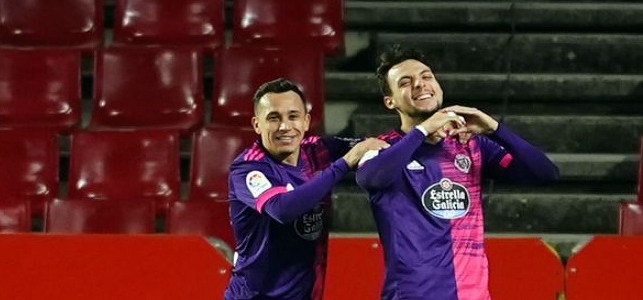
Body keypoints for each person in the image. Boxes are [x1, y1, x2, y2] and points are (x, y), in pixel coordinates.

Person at [355, 44, 560, 299]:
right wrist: (423, 130)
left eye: (426, 77)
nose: (420, 84)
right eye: (406, 82)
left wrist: (494, 128)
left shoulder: (471, 145)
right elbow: (370, 178)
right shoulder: (382, 148)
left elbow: (545, 173)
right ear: (390, 101)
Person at [224, 78, 389, 300]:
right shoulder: (249, 167)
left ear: (306, 121)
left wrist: (428, 134)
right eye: (273, 118)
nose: (285, 127)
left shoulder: (316, 150)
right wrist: (343, 164)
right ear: (256, 124)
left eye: (293, 116)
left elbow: (375, 146)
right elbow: (282, 209)